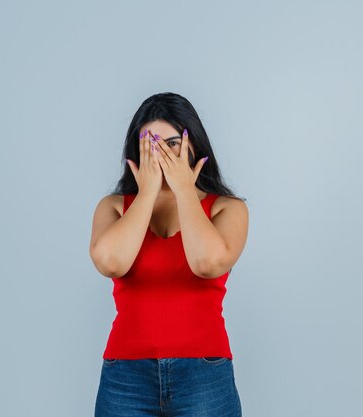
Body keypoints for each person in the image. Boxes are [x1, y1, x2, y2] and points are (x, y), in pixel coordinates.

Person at [89, 92, 248, 416]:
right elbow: (110, 263)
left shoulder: (227, 208)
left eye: (172, 143)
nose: (161, 153)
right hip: (126, 376)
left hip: (204, 373)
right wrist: (146, 192)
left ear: (194, 146)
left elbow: (207, 263)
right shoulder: (114, 206)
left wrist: (184, 190)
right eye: (150, 143)